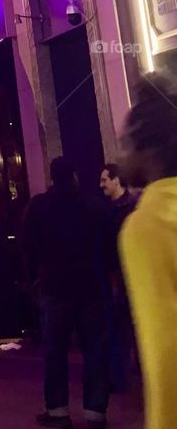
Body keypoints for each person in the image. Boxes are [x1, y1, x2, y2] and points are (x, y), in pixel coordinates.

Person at [22, 157, 115, 429]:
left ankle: (58, 409)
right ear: (74, 175)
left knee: (55, 349)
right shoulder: (93, 206)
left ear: (52, 176)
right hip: (90, 285)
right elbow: (108, 244)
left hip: (54, 284)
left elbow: (27, 245)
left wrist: (34, 279)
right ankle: (95, 410)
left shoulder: (39, 206)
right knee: (94, 348)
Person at [119, 72, 177, 429]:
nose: (119, 156)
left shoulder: (145, 227)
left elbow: (165, 351)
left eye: (125, 144)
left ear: (148, 149)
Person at [99, 162, 138, 393]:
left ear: (116, 180)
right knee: (118, 327)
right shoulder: (107, 209)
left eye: (104, 179)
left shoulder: (129, 207)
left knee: (126, 326)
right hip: (115, 275)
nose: (101, 184)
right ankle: (120, 375)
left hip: (126, 274)